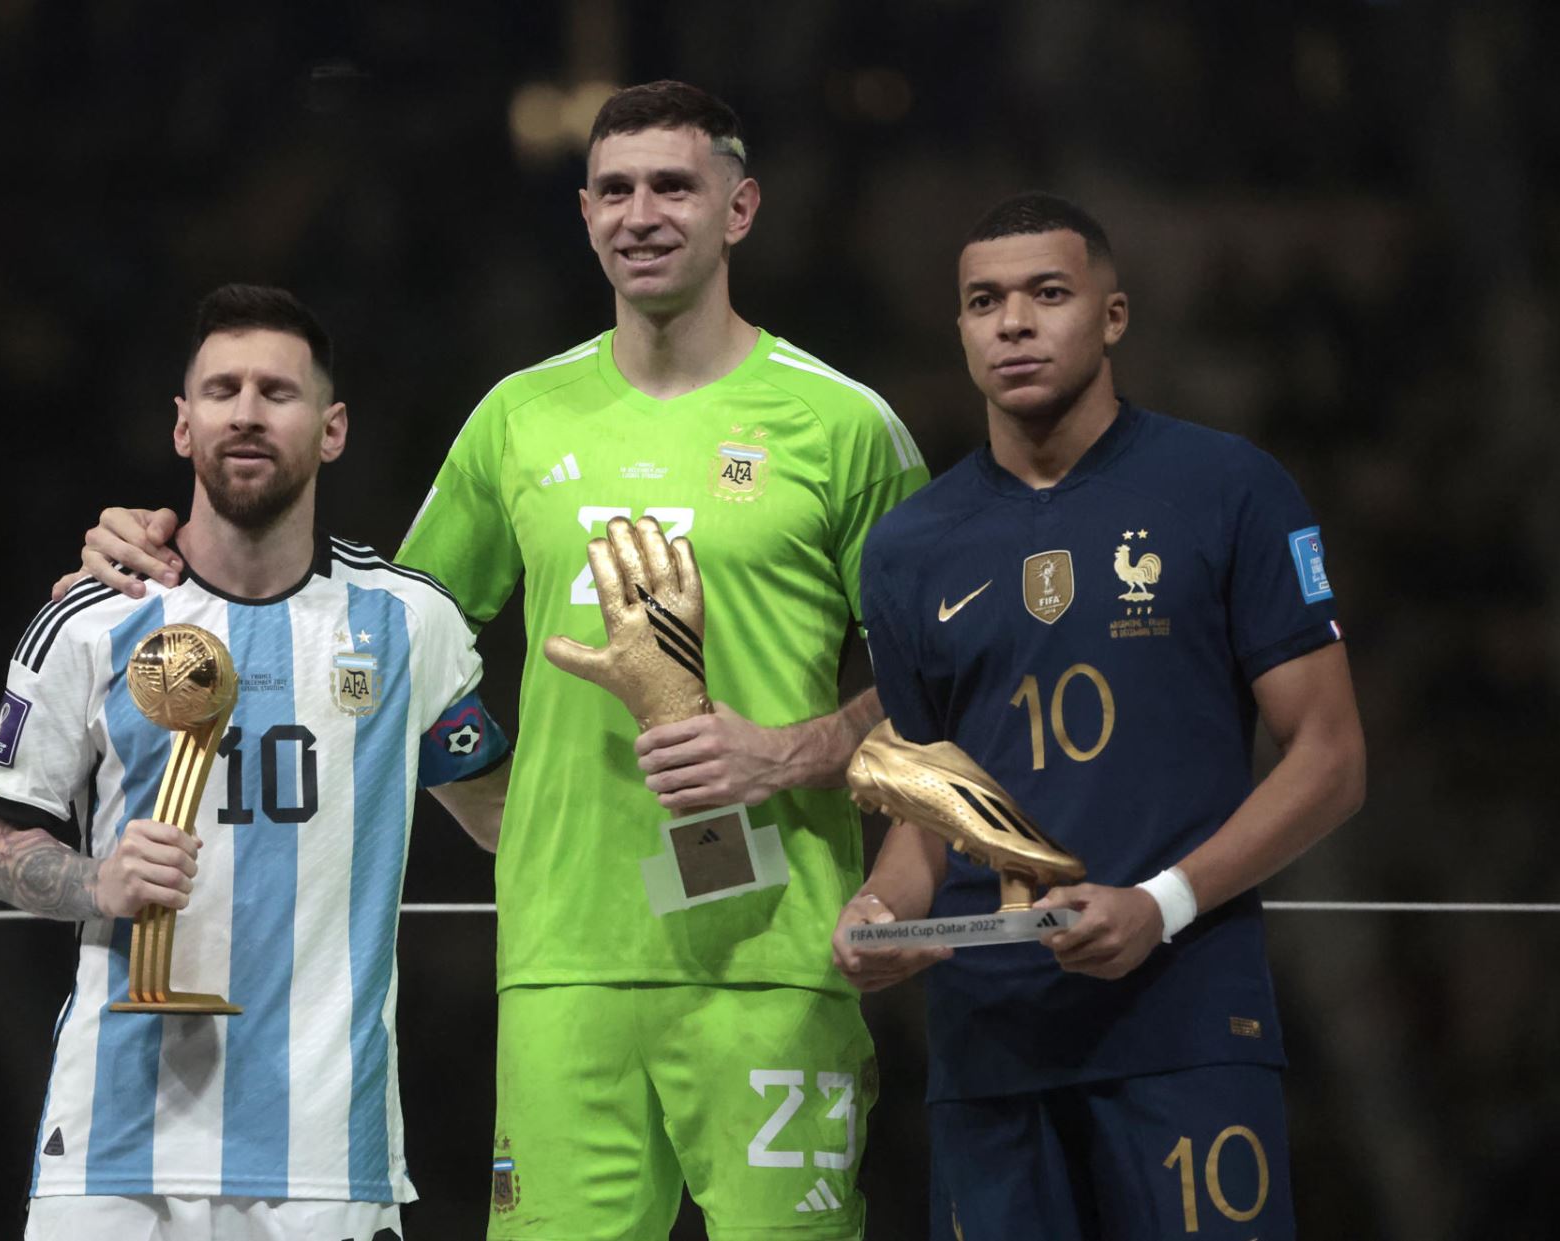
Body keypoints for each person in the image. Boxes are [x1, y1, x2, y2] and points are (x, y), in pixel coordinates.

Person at [61, 83, 929, 1239]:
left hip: (775, 956)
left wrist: (789, 754)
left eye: (674, 184)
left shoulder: (845, 425)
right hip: (561, 965)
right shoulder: (520, 419)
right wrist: (167, 545)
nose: (642, 212)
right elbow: (383, 641)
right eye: (614, 189)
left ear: (741, 206)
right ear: (583, 213)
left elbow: (949, 682)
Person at [831, 193, 1366, 1240]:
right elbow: (928, 803)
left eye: (1047, 294)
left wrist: (1161, 904)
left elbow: (1334, 758)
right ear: (959, 329)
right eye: (984, 301)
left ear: (1113, 316)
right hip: (989, 1048)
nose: (1013, 322)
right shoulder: (907, 548)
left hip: (1184, 1023)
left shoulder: (1230, 489)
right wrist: (883, 911)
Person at [0, 284, 511, 1241]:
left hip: (324, 1152)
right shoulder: (91, 617)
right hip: (111, 1148)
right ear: (183, 426)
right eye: (222, 390)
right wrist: (100, 877)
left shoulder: (407, 621)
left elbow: (505, 815)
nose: (248, 412)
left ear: (332, 428)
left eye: (278, 391)